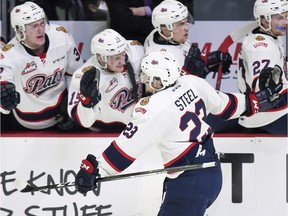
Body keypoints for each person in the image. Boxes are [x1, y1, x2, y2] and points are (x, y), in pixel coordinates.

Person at [74, 51, 282, 215]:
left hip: (189, 183)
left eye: (147, 77)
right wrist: (258, 99)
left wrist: (93, 168)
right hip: (211, 174)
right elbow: (226, 106)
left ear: (157, 81)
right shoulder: (192, 83)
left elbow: (123, 153)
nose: (144, 81)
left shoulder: (153, 109)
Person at [0, 1, 83, 131]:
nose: (41, 29)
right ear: (20, 30)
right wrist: (3, 100)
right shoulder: (9, 55)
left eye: (42, 23)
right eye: (34, 26)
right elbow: (4, 101)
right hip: (24, 124)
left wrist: (74, 108)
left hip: (61, 118)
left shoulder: (61, 36)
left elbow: (75, 75)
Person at [67, 28, 144, 131]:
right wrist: (86, 102)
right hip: (103, 132)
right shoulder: (85, 76)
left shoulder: (135, 50)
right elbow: (83, 121)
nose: (122, 62)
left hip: (136, 127)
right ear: (101, 58)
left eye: (122, 55)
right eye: (116, 58)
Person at [144, 0, 233, 79]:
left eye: (186, 22)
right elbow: (168, 94)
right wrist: (193, 73)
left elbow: (187, 58)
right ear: (165, 28)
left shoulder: (162, 35)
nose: (186, 28)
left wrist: (210, 61)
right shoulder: (159, 59)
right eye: (181, 24)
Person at [236, 0, 287, 134]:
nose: (285, 22)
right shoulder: (261, 48)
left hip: (274, 110)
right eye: (280, 18)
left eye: (287, 16)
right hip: (268, 117)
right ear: (264, 20)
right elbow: (263, 93)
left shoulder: (270, 35)